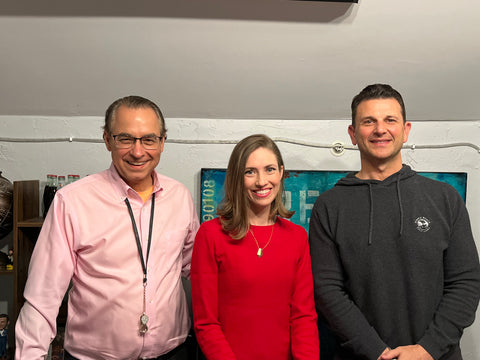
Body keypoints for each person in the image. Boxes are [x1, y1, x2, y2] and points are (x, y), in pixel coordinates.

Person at [15, 96, 200, 360]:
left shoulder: (179, 196)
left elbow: (196, 266)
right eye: (125, 139)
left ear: (162, 142)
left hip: (173, 353)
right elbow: (42, 297)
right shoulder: (72, 201)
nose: (138, 151)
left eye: (148, 139)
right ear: (107, 140)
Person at [309, 83, 480, 360]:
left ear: (406, 129)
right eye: (368, 121)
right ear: (353, 134)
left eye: (390, 120)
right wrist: (377, 352)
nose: (380, 129)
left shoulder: (444, 198)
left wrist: (427, 349)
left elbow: (466, 282)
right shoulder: (329, 206)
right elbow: (327, 290)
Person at [191, 134, 319, 360]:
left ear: (281, 172)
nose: (262, 181)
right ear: (237, 178)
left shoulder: (297, 237)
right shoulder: (211, 235)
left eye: (269, 169)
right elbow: (206, 323)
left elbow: (303, 318)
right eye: (250, 171)